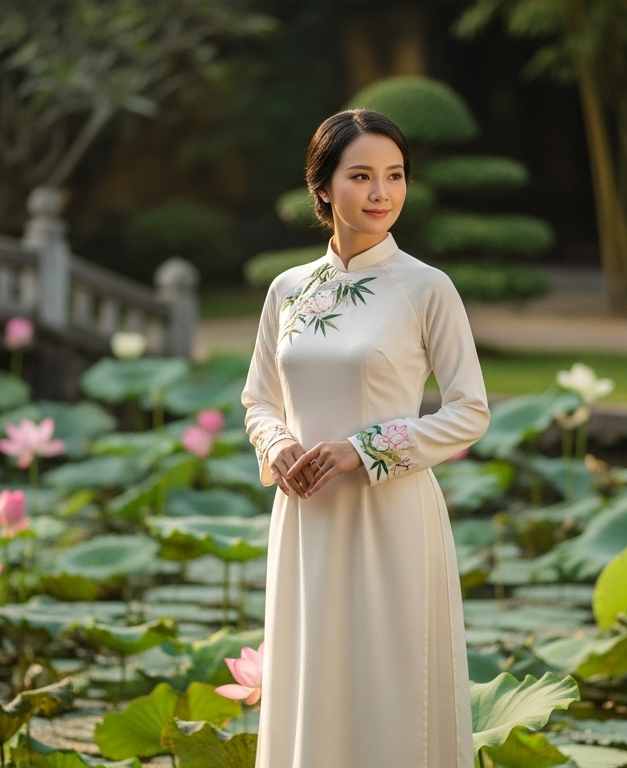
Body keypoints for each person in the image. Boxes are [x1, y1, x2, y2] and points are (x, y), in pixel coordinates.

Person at [241, 108, 491, 767]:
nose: (381, 194)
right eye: (361, 176)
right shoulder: (288, 290)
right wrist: (277, 446)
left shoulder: (426, 288)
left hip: (391, 517)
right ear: (322, 188)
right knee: (310, 680)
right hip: (306, 520)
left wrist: (365, 448)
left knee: (391, 688)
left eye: (395, 176)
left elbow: (470, 411)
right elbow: (258, 399)